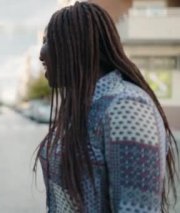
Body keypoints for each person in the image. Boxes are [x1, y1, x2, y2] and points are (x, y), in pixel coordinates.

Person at [35, 2, 178, 212]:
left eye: (48, 41)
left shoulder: (126, 107)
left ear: (76, 45)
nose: (41, 54)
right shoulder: (81, 108)